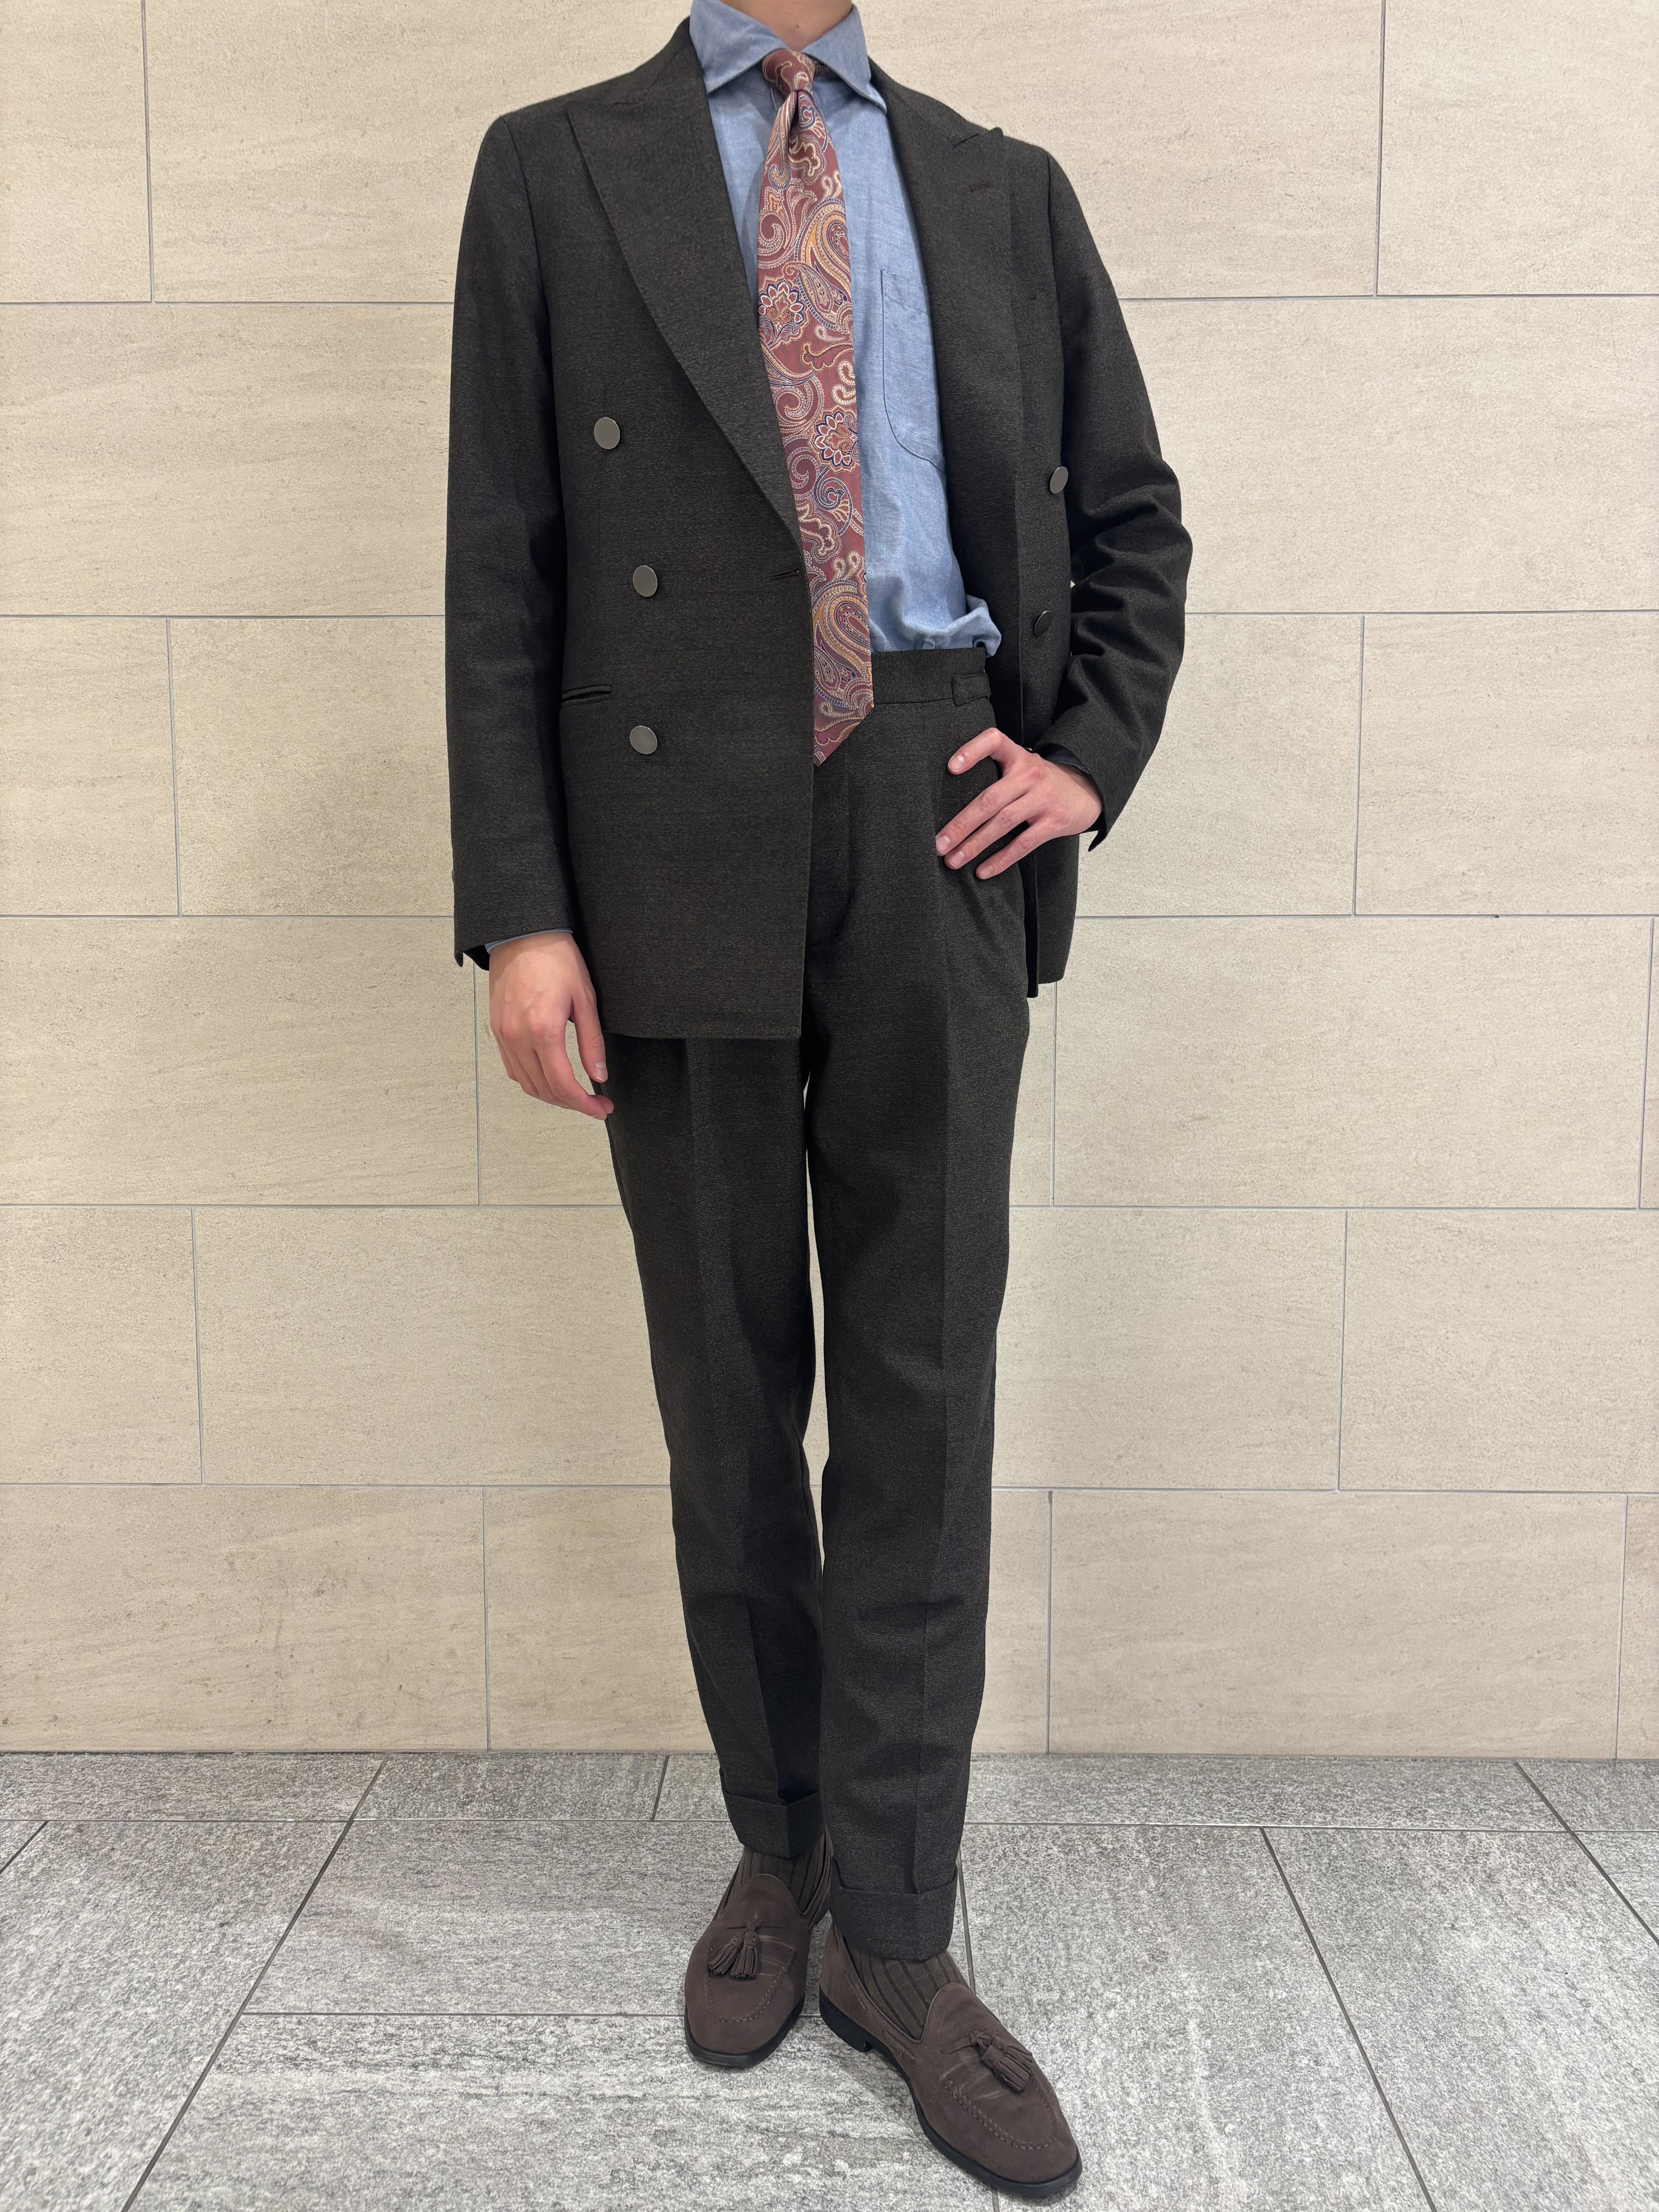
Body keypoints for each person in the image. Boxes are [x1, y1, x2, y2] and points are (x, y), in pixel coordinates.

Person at [445, 0, 1190, 2193]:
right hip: (664, 821)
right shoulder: (553, 167)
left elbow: (1135, 523)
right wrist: (524, 912)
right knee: (726, 1381)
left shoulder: (1001, 187)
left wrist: (1087, 759)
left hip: (943, 804)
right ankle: (778, 1851)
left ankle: (901, 1927)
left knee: (926, 1386)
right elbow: (500, 567)